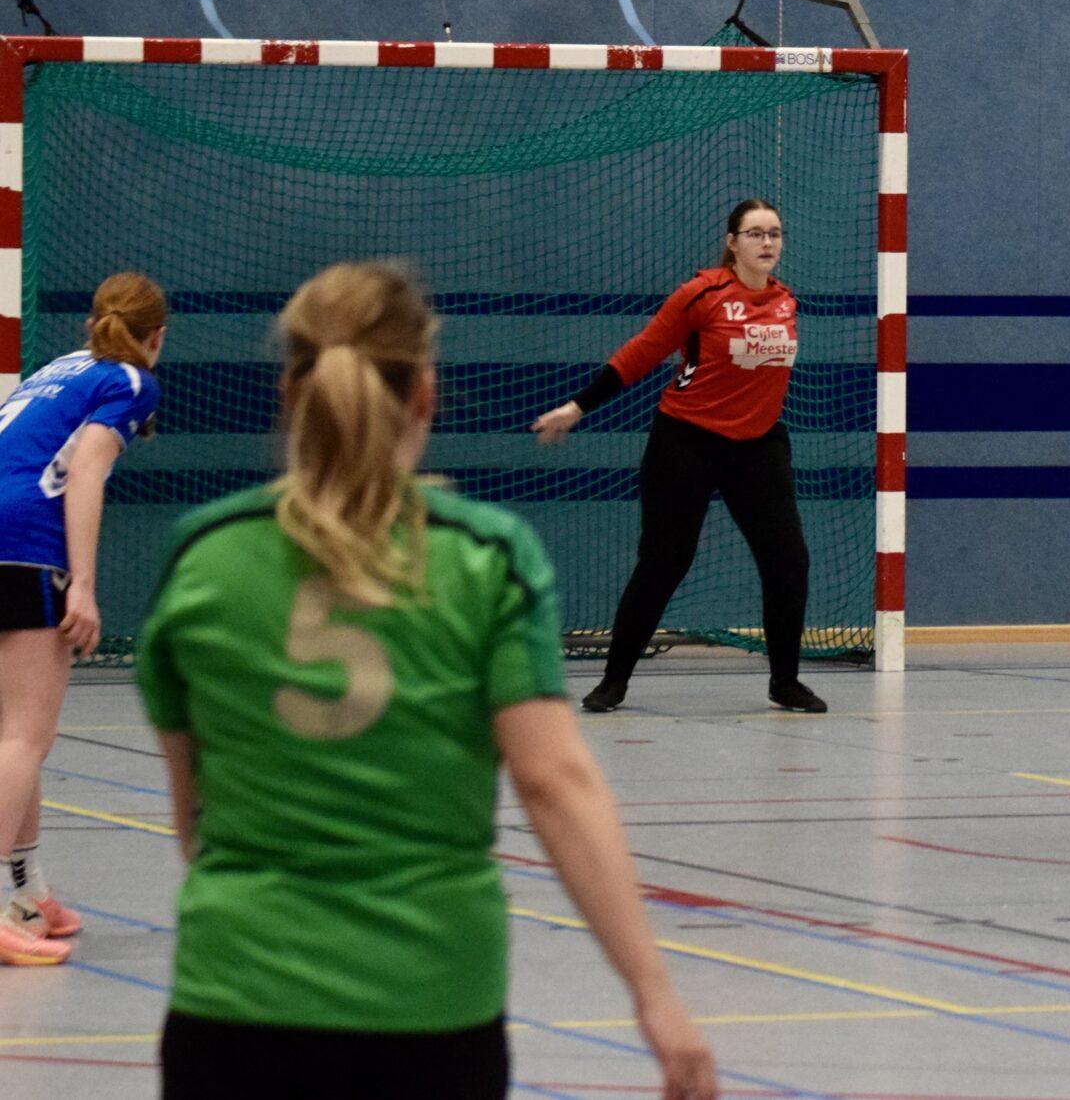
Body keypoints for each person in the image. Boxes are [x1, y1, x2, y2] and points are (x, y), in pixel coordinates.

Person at [134, 262, 717, 1100]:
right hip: (433, 1007)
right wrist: (653, 992)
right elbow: (554, 783)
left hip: (236, 1003)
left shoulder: (204, 556)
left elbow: (195, 820)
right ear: (426, 395)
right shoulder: (484, 557)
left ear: (289, 392)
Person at [533, 199, 822, 714]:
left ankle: (785, 681)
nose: (767, 243)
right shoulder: (701, 294)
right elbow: (642, 351)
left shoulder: (785, 301)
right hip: (687, 441)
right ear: (732, 243)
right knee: (665, 561)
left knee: (788, 560)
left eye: (775, 233)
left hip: (759, 445)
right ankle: (614, 681)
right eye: (755, 233)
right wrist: (577, 407)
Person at [0, 272, 165, 964]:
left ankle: (29, 892)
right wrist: (84, 588)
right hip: (25, 543)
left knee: (15, 733)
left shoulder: (58, 369)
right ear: (157, 336)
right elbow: (87, 473)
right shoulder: (130, 380)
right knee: (25, 737)